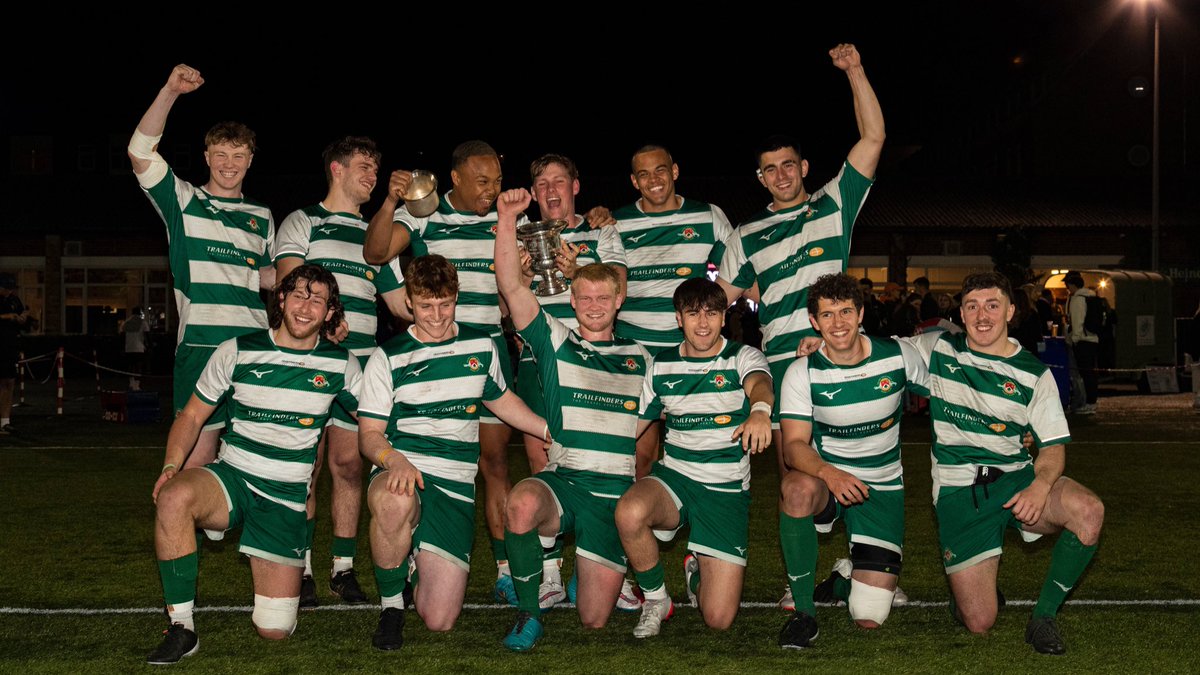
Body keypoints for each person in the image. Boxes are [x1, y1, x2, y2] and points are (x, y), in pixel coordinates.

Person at [146, 265, 359, 664]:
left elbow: (376, 422)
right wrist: (171, 466)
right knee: (174, 497)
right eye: (298, 295)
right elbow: (191, 416)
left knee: (274, 629)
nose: (305, 306)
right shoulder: (237, 350)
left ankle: (263, 554)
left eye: (317, 300)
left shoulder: (341, 364)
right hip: (234, 476)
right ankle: (182, 627)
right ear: (281, 299)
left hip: (285, 497)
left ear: (331, 312)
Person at [904, 272, 1105, 655]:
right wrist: (823, 345)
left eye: (992, 305)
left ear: (1011, 311)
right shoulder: (937, 350)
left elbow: (1053, 449)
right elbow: (873, 353)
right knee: (980, 621)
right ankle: (965, 593)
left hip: (1017, 479)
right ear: (961, 313)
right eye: (973, 306)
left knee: (1089, 511)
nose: (982, 316)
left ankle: (1043, 618)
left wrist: (1039, 486)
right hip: (961, 491)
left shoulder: (1034, 373)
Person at [358, 255, 548, 651]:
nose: (436, 316)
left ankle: (412, 558)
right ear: (409, 302)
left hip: (456, 486)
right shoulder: (388, 357)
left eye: (445, 304)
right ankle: (392, 608)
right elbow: (370, 435)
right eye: (425, 306)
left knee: (439, 619)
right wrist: (393, 459)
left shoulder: (480, 345)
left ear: (456, 297)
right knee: (394, 500)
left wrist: (548, 430)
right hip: (404, 469)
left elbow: (502, 401)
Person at [363, 140, 524, 601]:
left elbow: (519, 281)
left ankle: (505, 569)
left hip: (485, 351)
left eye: (497, 180)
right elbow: (375, 253)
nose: (491, 189)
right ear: (454, 178)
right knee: (430, 450)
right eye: (482, 181)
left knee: (494, 463)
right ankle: (415, 536)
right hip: (432, 354)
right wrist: (391, 201)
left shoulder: (505, 218)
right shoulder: (425, 213)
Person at [493, 188, 652, 652]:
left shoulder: (643, 359)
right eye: (585, 297)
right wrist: (507, 218)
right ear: (572, 298)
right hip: (565, 481)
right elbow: (512, 288)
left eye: (603, 297)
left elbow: (651, 422)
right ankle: (529, 612)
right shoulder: (556, 341)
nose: (594, 305)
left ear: (619, 299)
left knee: (594, 620)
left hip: (613, 496)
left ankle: (594, 561)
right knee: (521, 504)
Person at [274, 136, 408, 608]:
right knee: (305, 470)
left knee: (349, 466)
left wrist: (452, 308)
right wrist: (327, 321)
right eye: (364, 167)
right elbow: (289, 284)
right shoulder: (304, 221)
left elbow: (400, 305)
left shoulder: (377, 235)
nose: (373, 176)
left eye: (376, 168)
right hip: (308, 364)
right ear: (336, 168)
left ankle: (343, 569)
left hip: (361, 368)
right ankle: (302, 569)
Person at [128, 64, 276, 468]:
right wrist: (170, 91)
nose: (230, 163)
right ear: (207, 156)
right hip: (200, 345)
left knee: (259, 456)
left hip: (254, 346)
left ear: (250, 160)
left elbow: (270, 278)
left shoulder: (262, 215)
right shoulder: (183, 200)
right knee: (197, 458)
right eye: (221, 154)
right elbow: (140, 152)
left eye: (239, 155)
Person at [614, 278, 773, 638]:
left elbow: (760, 383)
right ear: (678, 318)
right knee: (629, 511)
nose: (703, 324)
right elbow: (632, 428)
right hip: (676, 478)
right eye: (693, 314)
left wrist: (760, 411)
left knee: (718, 618)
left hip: (725, 490)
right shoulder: (661, 366)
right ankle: (656, 599)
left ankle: (694, 574)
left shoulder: (742, 356)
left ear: (724, 317)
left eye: (712, 314)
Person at [775, 273, 924, 648]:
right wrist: (830, 474)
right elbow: (793, 446)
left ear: (860, 314)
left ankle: (842, 580)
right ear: (814, 321)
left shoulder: (897, 355)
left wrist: (1010, 427)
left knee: (869, 617)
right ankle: (804, 614)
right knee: (795, 488)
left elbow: (950, 389)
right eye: (827, 315)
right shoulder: (802, 372)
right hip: (828, 481)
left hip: (882, 488)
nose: (837, 323)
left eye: (845, 312)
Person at [513, 153, 628, 609]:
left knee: (606, 465)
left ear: (576, 186)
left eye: (559, 181)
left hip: (596, 364)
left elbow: (619, 287)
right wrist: (522, 277)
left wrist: (574, 271)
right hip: (539, 363)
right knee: (541, 462)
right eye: (542, 184)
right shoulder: (520, 234)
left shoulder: (602, 232)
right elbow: (507, 307)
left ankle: (600, 563)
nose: (551, 191)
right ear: (533, 192)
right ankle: (549, 574)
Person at [1063, 271, 1099, 415]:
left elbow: (1077, 321)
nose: (1067, 288)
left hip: (1083, 341)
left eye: (1068, 285)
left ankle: (1089, 403)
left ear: (1072, 285)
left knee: (1085, 373)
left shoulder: (1078, 299)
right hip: (1093, 339)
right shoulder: (1091, 296)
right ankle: (1091, 402)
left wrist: (1074, 339)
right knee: (1090, 373)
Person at [0, 275, 27, 435]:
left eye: (11, 288)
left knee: (9, 382)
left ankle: (5, 421)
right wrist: (6, 316)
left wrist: (23, 318)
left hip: (9, 345)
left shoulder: (14, 300)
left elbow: (22, 313)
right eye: (6, 288)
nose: (9, 291)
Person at [123, 307, 149, 391]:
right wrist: (149, 345)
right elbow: (147, 335)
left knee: (130, 366)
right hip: (139, 348)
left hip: (128, 347)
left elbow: (122, 334)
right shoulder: (143, 322)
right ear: (139, 313)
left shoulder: (126, 322)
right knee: (138, 367)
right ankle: (137, 385)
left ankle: (131, 383)